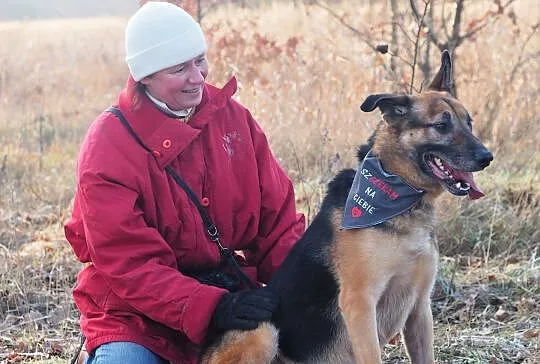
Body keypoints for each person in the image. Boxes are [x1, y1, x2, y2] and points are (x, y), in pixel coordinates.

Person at [64, 2, 305, 363]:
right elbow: (130, 266)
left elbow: (278, 225)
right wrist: (212, 307)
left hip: (231, 299)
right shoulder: (107, 146)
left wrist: (308, 285)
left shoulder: (234, 120)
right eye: (180, 68)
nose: (198, 77)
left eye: (199, 60)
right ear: (145, 76)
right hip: (136, 318)